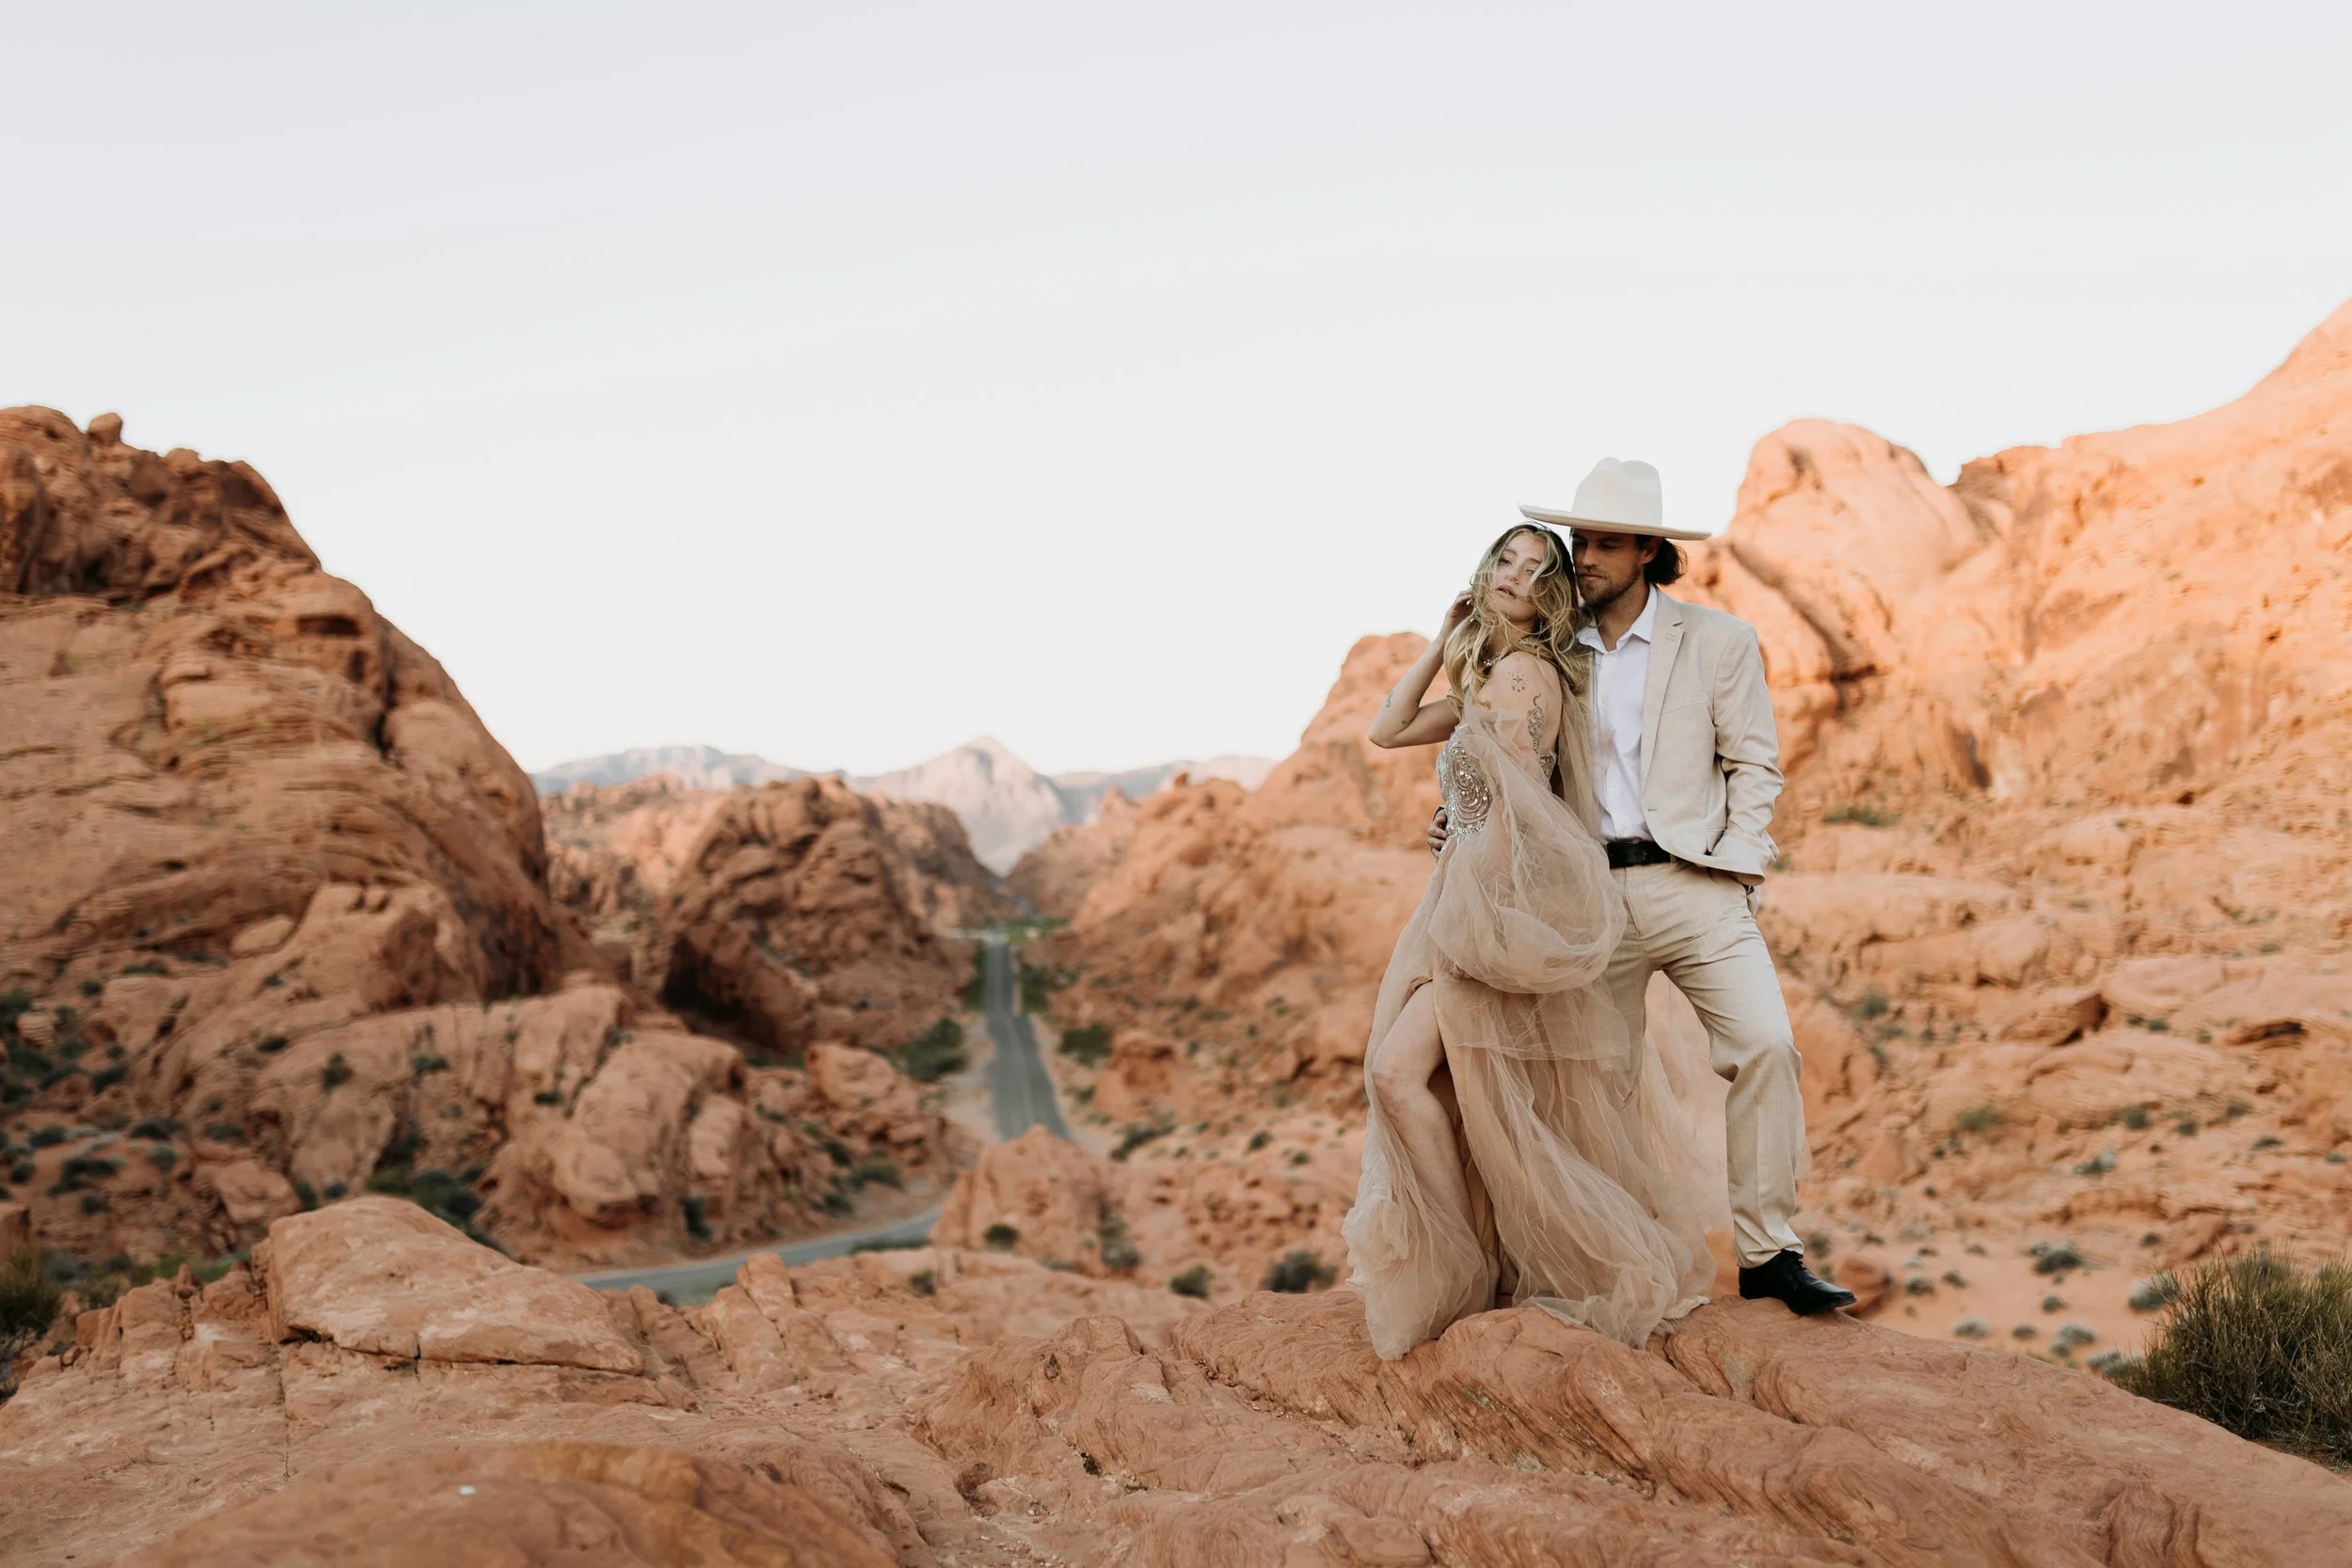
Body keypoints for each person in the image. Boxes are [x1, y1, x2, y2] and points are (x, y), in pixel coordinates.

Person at [1428, 458, 1853, 1316]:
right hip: (1587, 899)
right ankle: (1608, 1264)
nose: (1584, 556)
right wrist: (1462, 818)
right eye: (1581, 539)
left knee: (1767, 1044)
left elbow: (1755, 763)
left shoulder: (1719, 641)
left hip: (1696, 888)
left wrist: (1735, 868)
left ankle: (1768, 1251)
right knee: (1598, 1084)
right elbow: (1505, 753)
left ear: (1650, 551)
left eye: (1606, 543)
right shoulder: (1548, 649)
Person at [1343, 521, 1720, 1358]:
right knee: (1457, 1092)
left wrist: (1470, 840)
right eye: (1503, 560)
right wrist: (1443, 638)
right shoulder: (1489, 671)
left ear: (1552, 588)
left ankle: (1467, 1264)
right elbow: (1387, 726)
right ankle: (1483, 1257)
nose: (1514, 575)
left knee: (1400, 1073)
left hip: (1489, 912)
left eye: (1534, 566)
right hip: (1463, 897)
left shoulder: (1524, 673)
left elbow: (1530, 812)